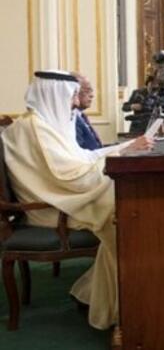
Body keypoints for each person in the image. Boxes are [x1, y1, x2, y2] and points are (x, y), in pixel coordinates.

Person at [2, 70, 154, 329]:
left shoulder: (46, 124)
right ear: (53, 95)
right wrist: (122, 155)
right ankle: (127, 306)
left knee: (127, 210)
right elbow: (73, 177)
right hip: (52, 208)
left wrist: (124, 149)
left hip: (62, 198)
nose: (75, 102)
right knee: (127, 216)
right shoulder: (35, 128)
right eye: (72, 96)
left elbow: (83, 158)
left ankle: (99, 295)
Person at [72, 73, 103, 150]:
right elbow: (80, 150)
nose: (92, 95)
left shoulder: (82, 116)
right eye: (87, 91)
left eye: (91, 91)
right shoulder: (71, 119)